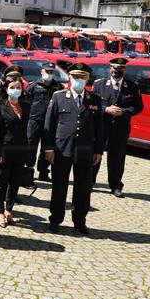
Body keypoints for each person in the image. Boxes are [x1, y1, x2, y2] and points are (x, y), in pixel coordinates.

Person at [43, 62, 103, 234]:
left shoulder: (94, 100)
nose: (78, 80)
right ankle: (55, 219)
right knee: (59, 187)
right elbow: (49, 124)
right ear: (69, 77)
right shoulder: (58, 96)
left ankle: (80, 220)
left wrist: (98, 150)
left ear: (88, 79)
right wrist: (48, 148)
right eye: (75, 77)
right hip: (62, 150)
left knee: (83, 188)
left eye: (82, 77)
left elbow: (100, 128)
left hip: (85, 151)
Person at [91, 57, 143, 198]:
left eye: (120, 69)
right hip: (101, 126)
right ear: (110, 68)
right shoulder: (99, 84)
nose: (116, 71)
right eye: (114, 68)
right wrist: (105, 109)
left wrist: (124, 111)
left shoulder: (132, 86)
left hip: (121, 128)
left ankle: (115, 186)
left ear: (124, 69)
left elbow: (138, 107)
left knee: (117, 158)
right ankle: (89, 181)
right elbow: (91, 104)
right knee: (95, 154)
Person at [0, 74, 32, 228]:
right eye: (12, 87)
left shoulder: (26, 106)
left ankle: (9, 209)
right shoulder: (0, 106)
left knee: (15, 182)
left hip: (20, 150)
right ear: (6, 89)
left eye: (18, 87)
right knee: (1, 182)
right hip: (5, 150)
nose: (15, 90)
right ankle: (0, 211)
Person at [25, 63, 63, 183]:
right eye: (47, 71)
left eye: (51, 72)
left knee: (48, 146)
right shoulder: (33, 86)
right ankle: (28, 172)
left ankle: (43, 172)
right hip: (34, 121)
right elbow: (25, 104)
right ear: (42, 71)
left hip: (51, 123)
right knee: (31, 146)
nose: (49, 74)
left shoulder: (58, 87)